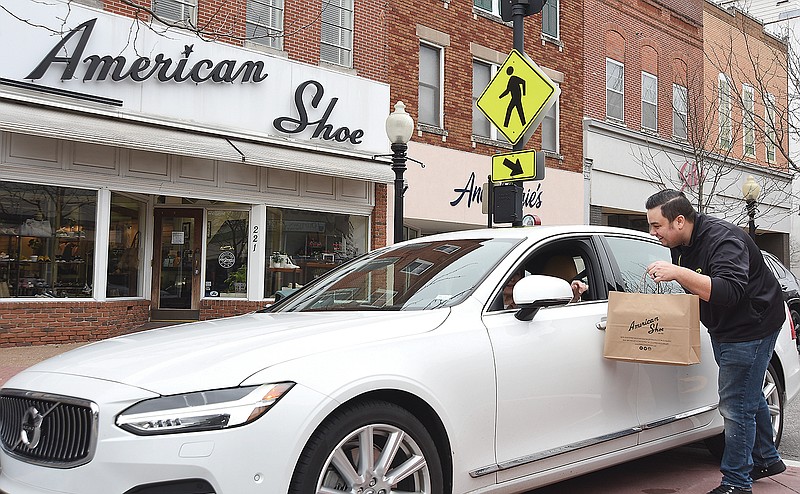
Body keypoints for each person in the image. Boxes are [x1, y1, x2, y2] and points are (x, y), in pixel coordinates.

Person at [644, 189, 786, 494]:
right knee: (747, 393)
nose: (652, 232)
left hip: (753, 325)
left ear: (678, 221)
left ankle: (736, 482)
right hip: (724, 326)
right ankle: (766, 458)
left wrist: (677, 272)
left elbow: (729, 291)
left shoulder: (724, 240)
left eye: (656, 226)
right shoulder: (680, 242)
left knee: (735, 404)